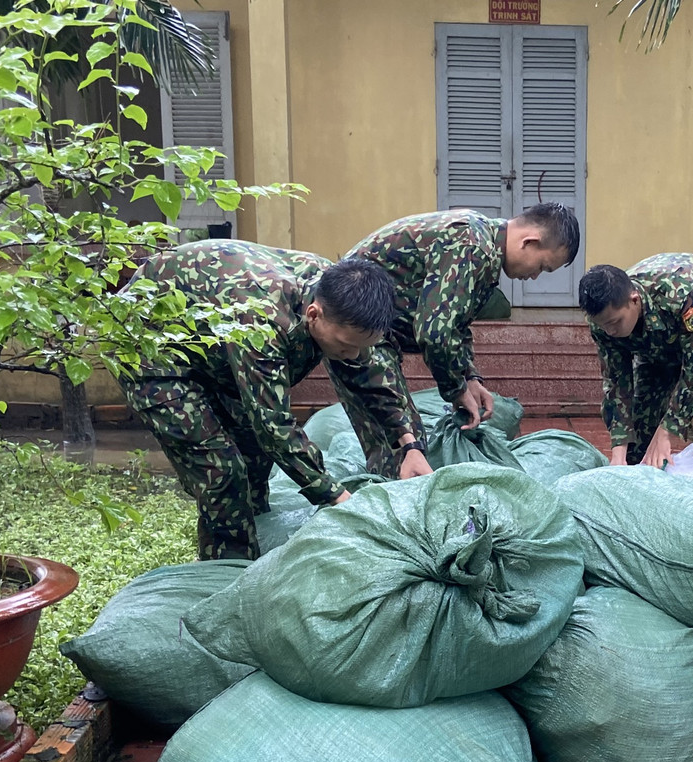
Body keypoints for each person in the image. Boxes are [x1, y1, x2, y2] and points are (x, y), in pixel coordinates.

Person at [119, 239, 430, 561]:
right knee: (222, 472)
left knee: (254, 463)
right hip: (154, 350)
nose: (352, 356)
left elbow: (371, 376)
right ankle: (226, 578)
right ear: (314, 314)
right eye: (344, 346)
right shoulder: (263, 323)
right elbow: (273, 426)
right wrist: (339, 498)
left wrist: (409, 445)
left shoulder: (342, 295)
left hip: (216, 345)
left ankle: (253, 550)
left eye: (362, 347)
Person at [344, 203, 580, 430]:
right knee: (400, 440)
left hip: (375, 333)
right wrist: (456, 389)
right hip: (353, 327)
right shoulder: (473, 246)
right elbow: (435, 333)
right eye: (542, 266)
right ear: (529, 242)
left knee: (405, 438)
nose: (535, 276)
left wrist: (470, 378)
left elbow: (456, 323)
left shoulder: (485, 248)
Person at [577, 254, 693, 477]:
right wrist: (619, 451)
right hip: (657, 336)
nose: (610, 332)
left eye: (615, 323)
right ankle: (640, 480)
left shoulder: (680, 296)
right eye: (603, 326)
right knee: (642, 416)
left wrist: (668, 430)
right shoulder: (604, 321)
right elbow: (617, 382)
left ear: (634, 300)